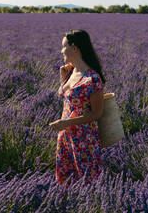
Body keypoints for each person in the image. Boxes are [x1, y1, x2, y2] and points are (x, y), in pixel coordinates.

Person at [48, 29, 106, 188]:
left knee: (88, 184)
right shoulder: (71, 72)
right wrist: (63, 79)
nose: (61, 50)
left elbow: (96, 113)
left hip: (84, 140)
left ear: (75, 48)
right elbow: (70, 101)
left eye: (64, 46)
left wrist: (65, 123)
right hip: (66, 137)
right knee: (65, 184)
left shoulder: (93, 79)